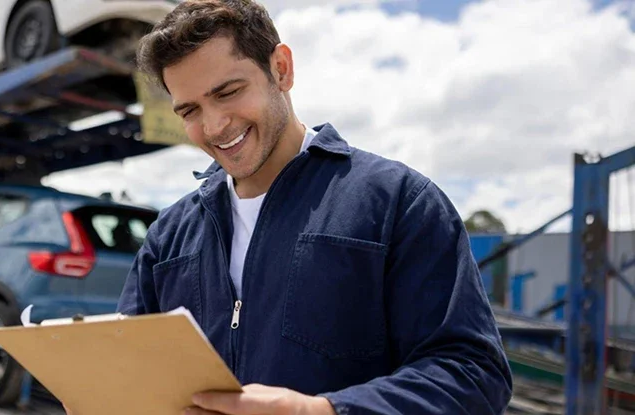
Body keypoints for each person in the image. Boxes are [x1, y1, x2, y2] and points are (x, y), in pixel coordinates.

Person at [109, 0, 514, 414]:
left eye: (228, 92)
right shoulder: (169, 236)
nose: (213, 126)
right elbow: (130, 370)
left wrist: (322, 410)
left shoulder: (398, 203)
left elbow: (473, 376)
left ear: (281, 69)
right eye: (190, 111)